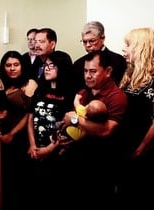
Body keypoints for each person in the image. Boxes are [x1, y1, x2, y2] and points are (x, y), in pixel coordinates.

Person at [59, 50, 128, 207]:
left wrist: (75, 120)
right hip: (78, 160)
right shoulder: (83, 93)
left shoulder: (117, 96)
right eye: (85, 71)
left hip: (101, 166)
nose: (87, 76)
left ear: (108, 71)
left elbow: (106, 130)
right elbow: (81, 128)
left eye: (93, 71)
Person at [27, 51, 75, 209]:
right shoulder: (40, 90)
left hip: (57, 152)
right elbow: (30, 117)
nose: (46, 69)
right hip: (36, 150)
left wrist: (49, 149)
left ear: (62, 67)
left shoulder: (69, 94)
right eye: (45, 65)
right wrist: (32, 144)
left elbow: (68, 125)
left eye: (51, 66)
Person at [117, 27, 154, 207]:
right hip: (125, 147)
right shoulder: (130, 75)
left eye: (128, 45)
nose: (124, 49)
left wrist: (141, 149)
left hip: (144, 152)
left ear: (141, 47)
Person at [0, 50, 38, 210]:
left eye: (16, 64)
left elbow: (29, 115)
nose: (12, 68)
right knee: (4, 181)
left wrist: (11, 134)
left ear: (22, 66)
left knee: (21, 181)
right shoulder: (0, 84)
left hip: (21, 137)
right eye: (8, 65)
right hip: (1, 137)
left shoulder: (29, 83)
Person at [73, 21, 127, 91]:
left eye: (92, 41)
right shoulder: (78, 64)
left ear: (102, 38)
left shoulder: (118, 60)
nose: (88, 45)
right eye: (84, 42)